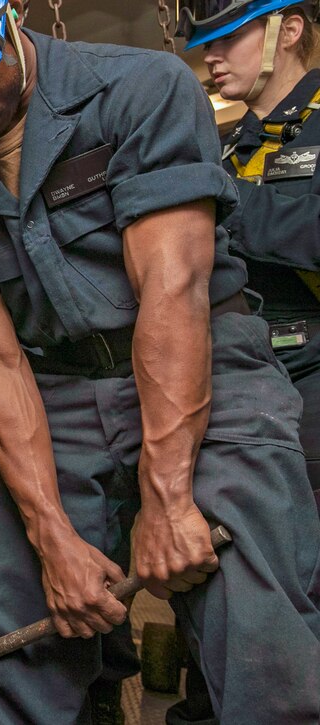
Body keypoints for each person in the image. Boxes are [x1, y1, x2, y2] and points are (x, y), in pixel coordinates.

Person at [0, 0, 320, 722]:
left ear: (3, 23)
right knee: (7, 642)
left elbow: (174, 291)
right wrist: (51, 538)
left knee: (259, 640)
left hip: (203, 363)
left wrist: (167, 500)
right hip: (57, 388)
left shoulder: (140, 89)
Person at [169, 2, 320, 721]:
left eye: (227, 39)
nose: (212, 58)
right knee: (217, 581)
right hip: (235, 384)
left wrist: (223, 203)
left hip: (314, 386)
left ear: (288, 30)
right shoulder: (232, 149)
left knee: (298, 586)